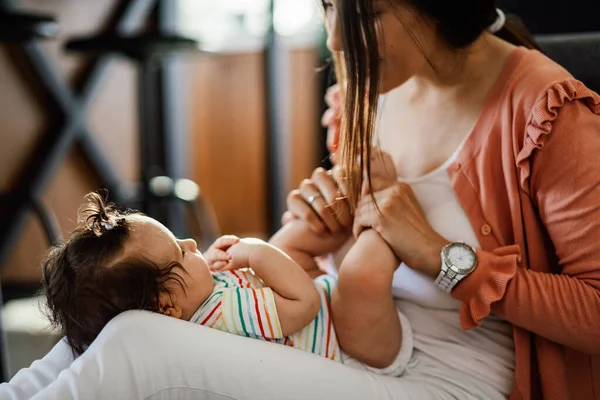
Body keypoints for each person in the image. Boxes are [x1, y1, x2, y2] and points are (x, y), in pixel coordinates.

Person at [1, 0, 599, 398]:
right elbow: (313, 276)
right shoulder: (370, 91)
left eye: (361, 11)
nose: (336, 36)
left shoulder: (546, 114)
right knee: (105, 313)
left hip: (441, 378)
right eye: (328, 5)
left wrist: (441, 257)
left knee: (138, 340)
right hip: (337, 340)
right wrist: (306, 232)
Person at [39, 192, 410, 376]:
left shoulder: (196, 306)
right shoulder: (223, 314)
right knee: (361, 274)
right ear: (167, 306)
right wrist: (256, 252)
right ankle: (386, 216)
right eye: (180, 254)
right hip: (353, 345)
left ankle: (353, 214)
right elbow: (305, 303)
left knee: (299, 234)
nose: (190, 244)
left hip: (331, 319)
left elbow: (239, 290)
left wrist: (215, 269)